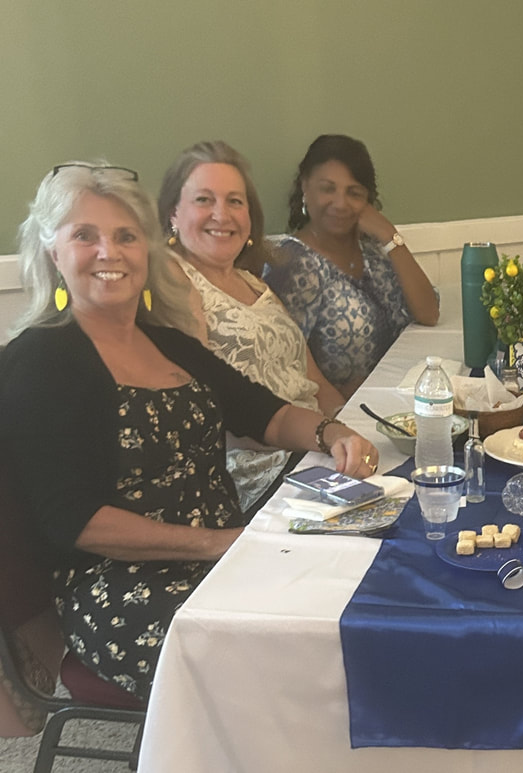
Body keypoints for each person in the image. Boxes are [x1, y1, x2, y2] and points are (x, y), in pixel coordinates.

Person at [0, 163, 378, 701]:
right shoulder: (40, 360)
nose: (109, 252)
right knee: (289, 661)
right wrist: (222, 544)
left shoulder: (167, 342)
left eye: (126, 236)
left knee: (350, 602)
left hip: (223, 554)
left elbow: (264, 413)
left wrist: (331, 432)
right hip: (121, 588)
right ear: (52, 252)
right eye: (85, 235)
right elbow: (76, 521)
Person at [158, 140, 350, 513]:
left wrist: (352, 430)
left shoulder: (252, 282)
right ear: (173, 214)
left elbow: (315, 383)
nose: (222, 214)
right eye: (204, 200)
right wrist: (322, 440)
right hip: (260, 471)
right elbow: (204, 408)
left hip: (313, 447)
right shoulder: (174, 277)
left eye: (235, 201)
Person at [265, 134, 439, 398]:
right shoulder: (292, 264)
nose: (341, 203)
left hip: (401, 400)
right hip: (341, 413)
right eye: (328, 189)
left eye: (354, 193)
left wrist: (391, 236)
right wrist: (340, 399)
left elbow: (429, 313)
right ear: (305, 188)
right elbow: (284, 366)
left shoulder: (374, 253)